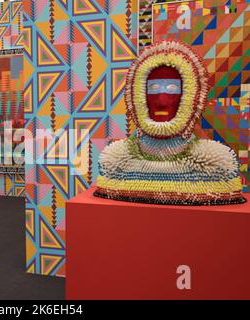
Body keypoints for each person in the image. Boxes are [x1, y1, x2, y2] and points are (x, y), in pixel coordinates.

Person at [94, 40, 245, 205]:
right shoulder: (115, 162)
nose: (162, 100)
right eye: (153, 88)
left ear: (192, 95)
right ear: (137, 94)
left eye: (172, 88)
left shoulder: (215, 165)